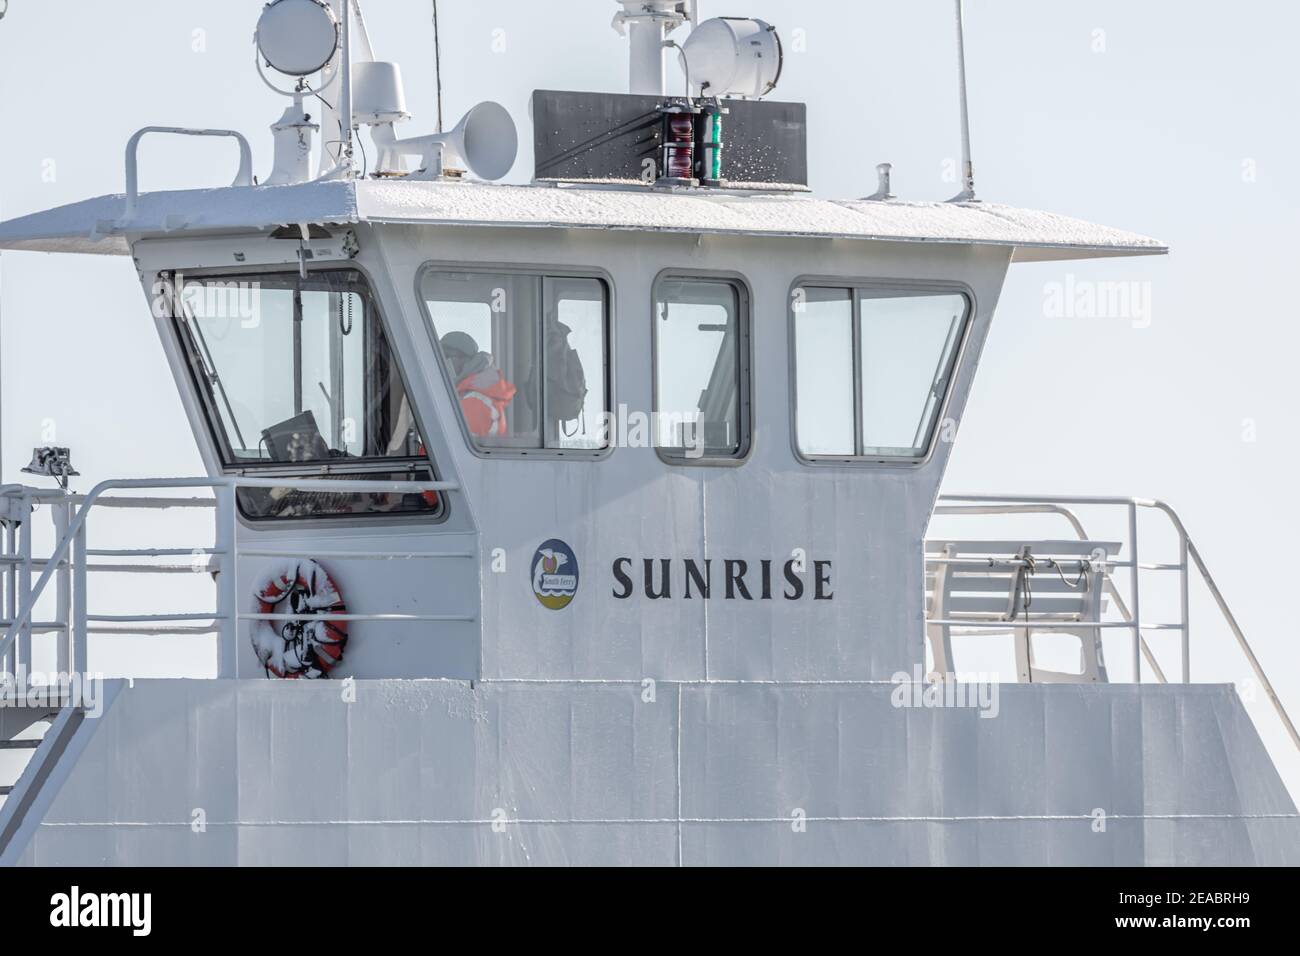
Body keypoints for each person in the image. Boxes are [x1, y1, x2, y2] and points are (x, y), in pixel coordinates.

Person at [439, 331, 517, 438]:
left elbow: (452, 445)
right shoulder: (470, 392)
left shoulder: (475, 401)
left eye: (446, 356)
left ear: (464, 359)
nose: (443, 362)